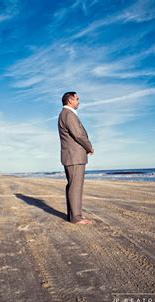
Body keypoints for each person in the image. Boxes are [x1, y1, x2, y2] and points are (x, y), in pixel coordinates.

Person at [58, 92, 94, 225]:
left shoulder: (65, 114)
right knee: (75, 187)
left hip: (72, 156)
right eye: (77, 99)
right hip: (74, 157)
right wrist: (89, 146)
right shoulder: (68, 114)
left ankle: (72, 215)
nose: (79, 101)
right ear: (70, 100)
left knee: (73, 186)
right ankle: (76, 217)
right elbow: (78, 135)